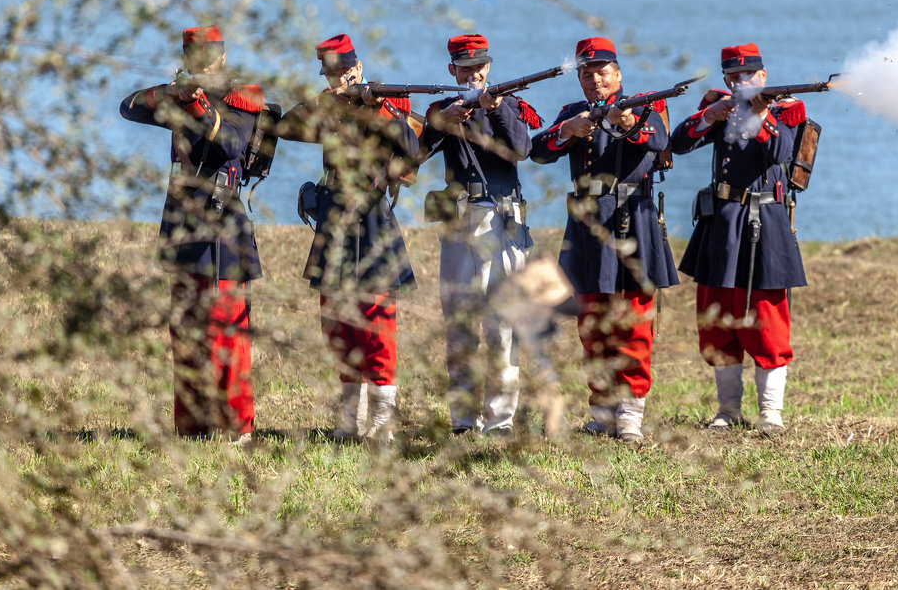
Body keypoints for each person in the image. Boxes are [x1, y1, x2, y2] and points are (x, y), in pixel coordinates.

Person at [118, 25, 263, 443]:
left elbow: (232, 145)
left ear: (221, 57)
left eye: (207, 57)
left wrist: (198, 104)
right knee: (185, 330)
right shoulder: (179, 96)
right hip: (184, 222)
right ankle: (192, 427)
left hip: (224, 226)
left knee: (225, 330)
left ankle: (238, 428)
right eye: (193, 56)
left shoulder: (243, 94)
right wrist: (173, 91)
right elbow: (128, 107)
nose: (202, 63)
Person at [530, 37, 678, 443]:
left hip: (632, 221)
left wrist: (628, 124)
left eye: (602, 72)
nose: (595, 79)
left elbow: (661, 141)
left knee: (632, 322)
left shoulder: (646, 104)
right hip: (587, 224)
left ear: (618, 74)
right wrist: (567, 131)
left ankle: (630, 414)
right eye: (587, 73)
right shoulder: (572, 113)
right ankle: (601, 409)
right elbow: (538, 151)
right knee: (592, 322)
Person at [279, 33, 418, 442]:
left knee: (376, 324)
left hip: (372, 217)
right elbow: (287, 126)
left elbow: (411, 149)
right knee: (337, 324)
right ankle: (349, 420)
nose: (339, 79)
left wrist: (377, 109)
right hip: (335, 216)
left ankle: (381, 421)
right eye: (331, 74)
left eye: (344, 72)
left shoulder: (388, 105)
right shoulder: (330, 107)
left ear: (358, 68)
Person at [669, 42, 809, 434]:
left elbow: (780, 151)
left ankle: (770, 412)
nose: (739, 81)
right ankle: (728, 410)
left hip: (765, 223)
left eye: (746, 75)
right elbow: (680, 143)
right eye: (732, 76)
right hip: (721, 223)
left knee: (767, 321)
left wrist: (760, 112)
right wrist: (711, 114)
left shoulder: (787, 110)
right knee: (718, 319)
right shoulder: (722, 107)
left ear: (762, 76)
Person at [419, 33, 542, 436]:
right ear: (452, 70)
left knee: (502, 325)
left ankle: (500, 420)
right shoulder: (441, 109)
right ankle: (462, 419)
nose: (473, 73)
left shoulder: (511, 105)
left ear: (489, 67)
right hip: (458, 221)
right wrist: (444, 123)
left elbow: (522, 148)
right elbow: (414, 157)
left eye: (479, 66)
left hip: (501, 221)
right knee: (459, 323)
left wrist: (496, 109)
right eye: (465, 67)